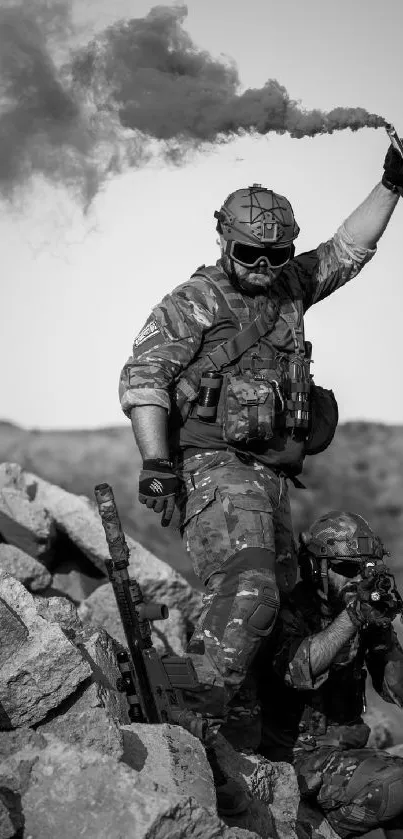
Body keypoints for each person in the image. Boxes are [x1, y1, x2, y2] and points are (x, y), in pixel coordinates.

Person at [119, 144, 403, 816]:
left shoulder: (287, 288)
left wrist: (392, 182)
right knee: (249, 591)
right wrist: (159, 464)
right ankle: (183, 716)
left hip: (270, 481)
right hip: (213, 469)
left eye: (277, 255)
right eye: (250, 253)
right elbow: (143, 379)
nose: (264, 267)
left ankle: (236, 730)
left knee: (274, 613)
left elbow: (346, 251)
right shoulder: (193, 302)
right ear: (224, 239)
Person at [256, 511, 403, 838]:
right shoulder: (285, 611)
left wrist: (386, 633)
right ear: (314, 568)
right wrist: (352, 618)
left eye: (366, 569)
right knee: (398, 786)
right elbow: (299, 669)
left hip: (345, 751)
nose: (357, 579)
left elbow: (397, 691)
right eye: (347, 569)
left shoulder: (361, 612)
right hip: (294, 759)